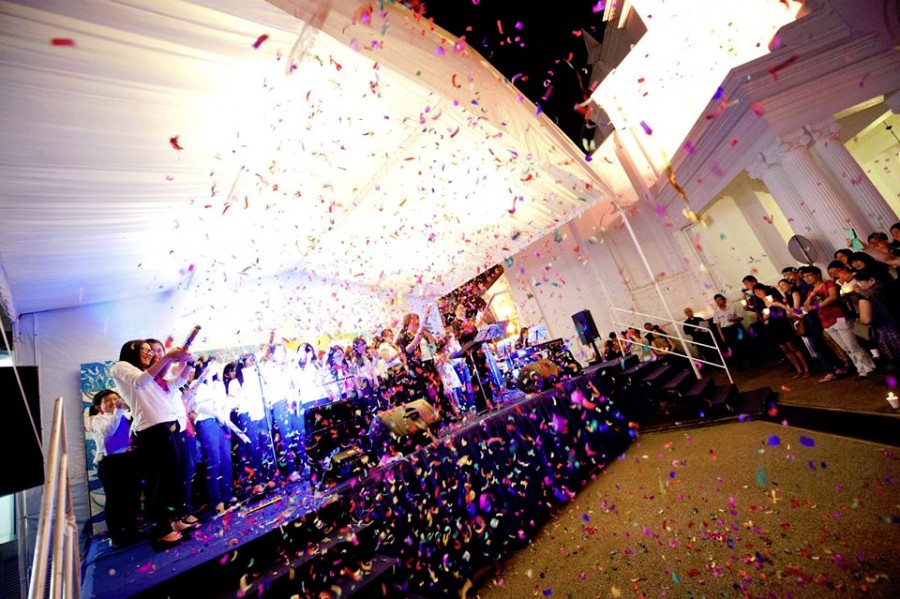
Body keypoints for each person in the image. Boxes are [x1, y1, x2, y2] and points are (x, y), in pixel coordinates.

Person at [110, 340, 194, 549]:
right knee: (164, 478)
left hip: (167, 425)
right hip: (151, 428)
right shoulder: (121, 367)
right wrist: (168, 358)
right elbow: (138, 381)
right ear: (132, 350)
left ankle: (170, 521)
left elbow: (174, 384)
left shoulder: (150, 376)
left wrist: (189, 363)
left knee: (172, 477)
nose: (150, 355)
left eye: (153, 351)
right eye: (146, 350)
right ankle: (160, 531)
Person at [147, 338, 198, 527]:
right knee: (169, 476)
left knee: (183, 472)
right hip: (161, 430)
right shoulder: (147, 378)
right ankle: (168, 521)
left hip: (180, 428)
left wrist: (188, 360)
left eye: (160, 350)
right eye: (152, 351)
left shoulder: (166, 377)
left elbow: (180, 376)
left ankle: (180, 515)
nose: (157, 354)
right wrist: (172, 358)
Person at [801, 265, 876, 380]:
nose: (807, 278)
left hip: (840, 317)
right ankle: (861, 369)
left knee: (853, 345)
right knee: (846, 348)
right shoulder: (811, 291)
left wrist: (816, 306)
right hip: (826, 321)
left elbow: (833, 297)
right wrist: (811, 297)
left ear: (818, 275)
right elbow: (806, 306)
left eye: (809, 275)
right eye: (804, 277)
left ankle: (869, 368)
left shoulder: (828, 284)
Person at [91, 389, 143, 548]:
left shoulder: (126, 415)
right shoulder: (97, 420)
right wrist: (118, 411)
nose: (113, 402)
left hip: (127, 459)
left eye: (115, 398)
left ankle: (132, 529)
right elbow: (108, 432)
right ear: (99, 407)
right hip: (110, 463)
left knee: (132, 496)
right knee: (114, 499)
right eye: (108, 400)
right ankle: (115, 536)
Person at [753, 284, 810, 379]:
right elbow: (761, 318)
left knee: (793, 347)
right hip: (772, 328)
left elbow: (782, 311)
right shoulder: (759, 304)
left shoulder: (773, 299)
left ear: (764, 290)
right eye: (755, 292)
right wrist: (764, 318)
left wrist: (772, 312)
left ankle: (806, 368)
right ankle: (799, 369)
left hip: (782, 325)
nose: (758, 293)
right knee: (785, 349)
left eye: (759, 290)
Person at [856, 267, 900, 375]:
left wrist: (858, 325)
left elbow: (866, 319)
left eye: (860, 282)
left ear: (872, 280)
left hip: (889, 334)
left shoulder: (868, 295)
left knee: (894, 366)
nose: (859, 286)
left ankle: (892, 382)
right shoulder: (895, 286)